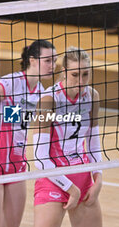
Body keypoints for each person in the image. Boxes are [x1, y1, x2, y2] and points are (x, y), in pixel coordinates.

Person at [0, 39, 57, 227]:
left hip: (17, 167)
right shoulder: (10, 83)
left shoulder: (41, 93)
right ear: (32, 60)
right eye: (48, 61)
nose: (53, 66)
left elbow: (29, 124)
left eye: (55, 61)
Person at [33, 47, 103, 227]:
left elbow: (93, 145)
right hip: (53, 178)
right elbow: (40, 159)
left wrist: (98, 179)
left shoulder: (92, 96)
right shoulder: (48, 100)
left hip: (83, 177)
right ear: (64, 72)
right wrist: (72, 190)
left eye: (85, 74)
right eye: (75, 74)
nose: (81, 81)